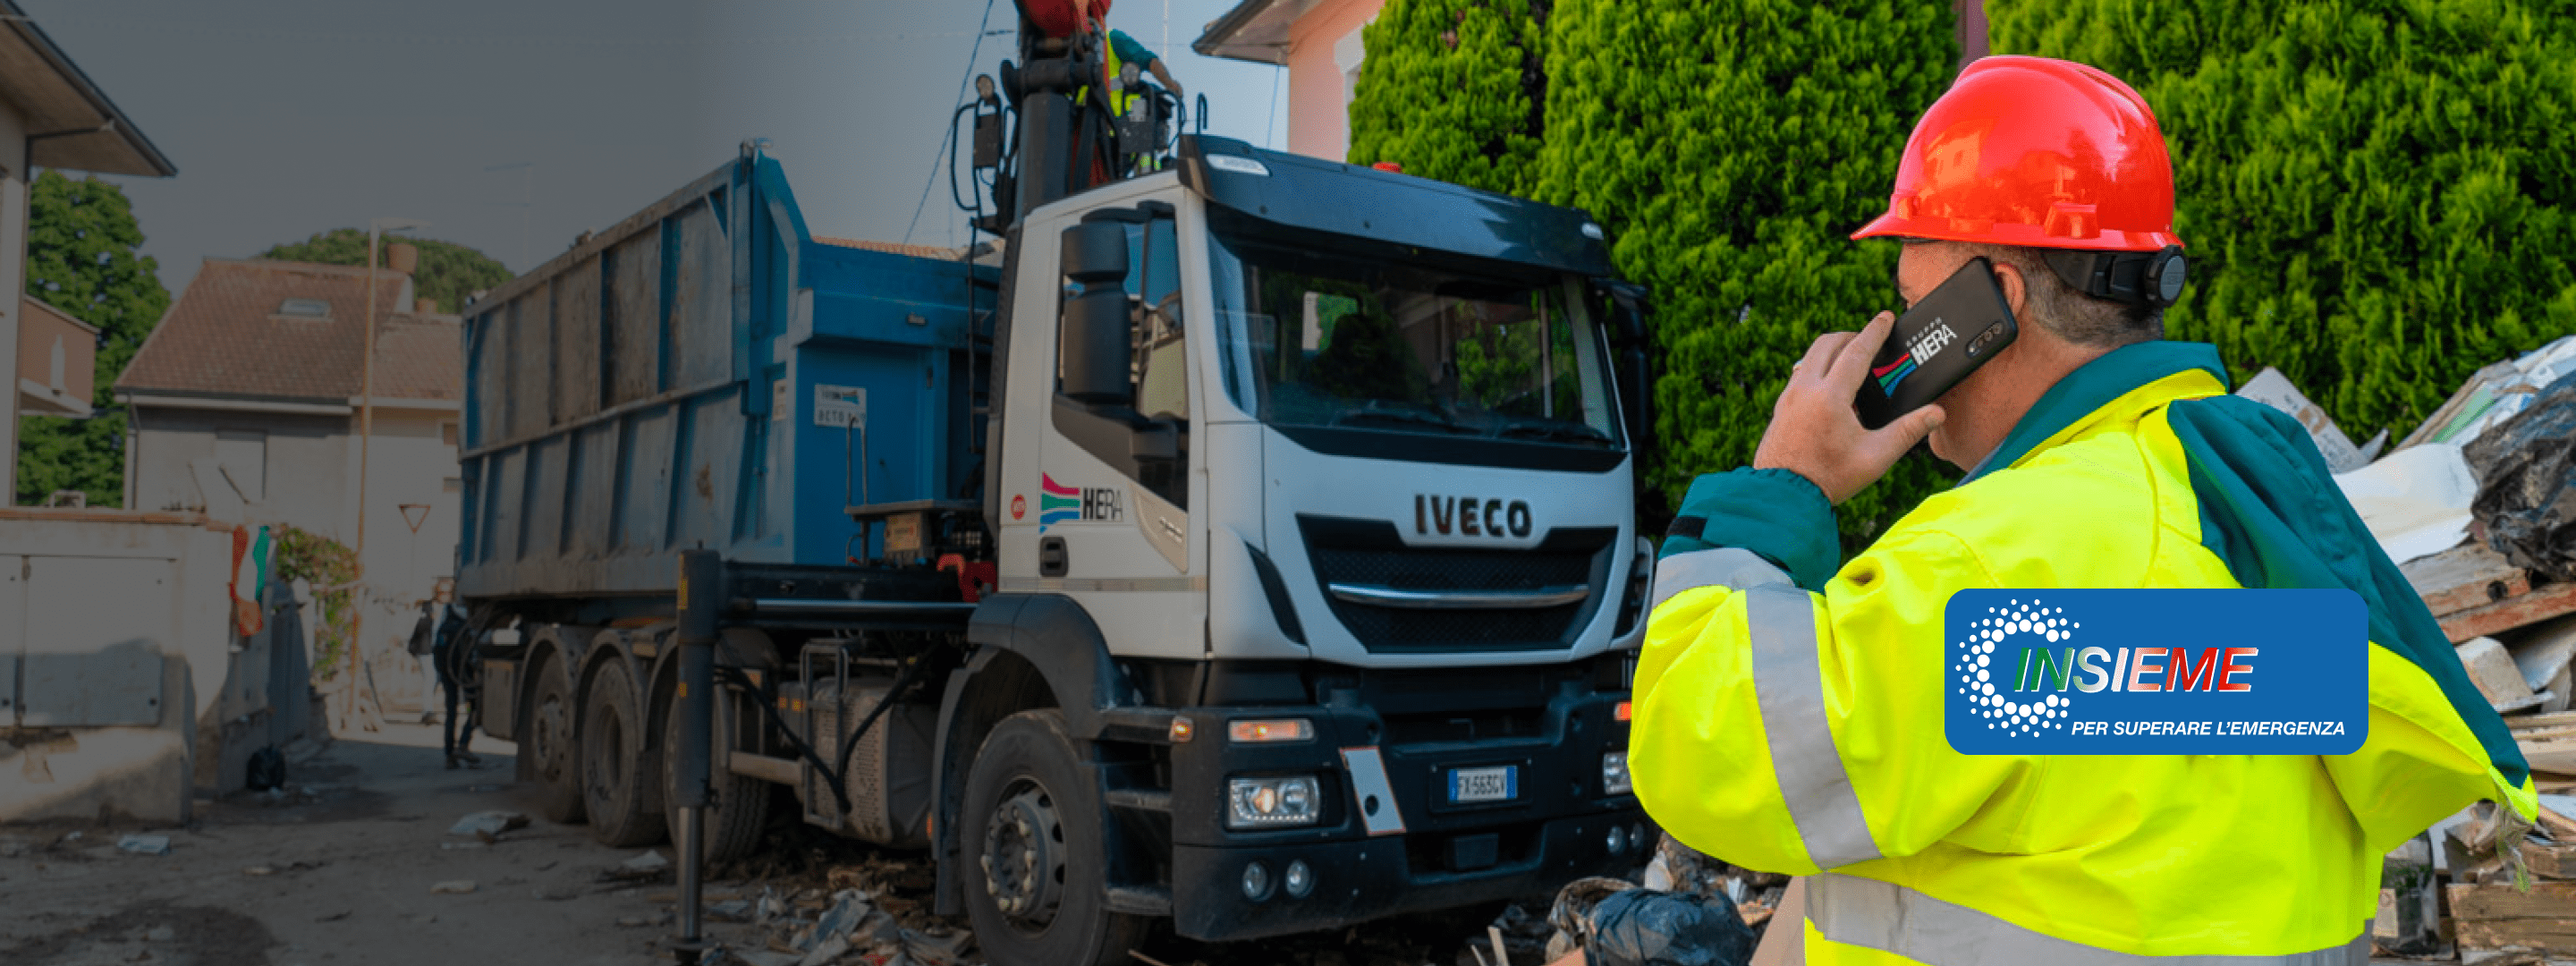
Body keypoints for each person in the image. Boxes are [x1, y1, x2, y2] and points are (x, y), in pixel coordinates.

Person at [1629, 56, 2531, 964]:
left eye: (1911, 307)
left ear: (1992, 303)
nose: (1898, 337)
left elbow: (1715, 760)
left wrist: (1781, 488)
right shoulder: (2247, 517)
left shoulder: (1999, 564)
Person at [425, 580, 481, 769]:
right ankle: (464, 744)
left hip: (447, 671)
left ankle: (450, 755)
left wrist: (440, 670)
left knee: (451, 712)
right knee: (473, 708)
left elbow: (435, 642)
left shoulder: (446, 612)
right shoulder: (473, 615)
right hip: (465, 671)